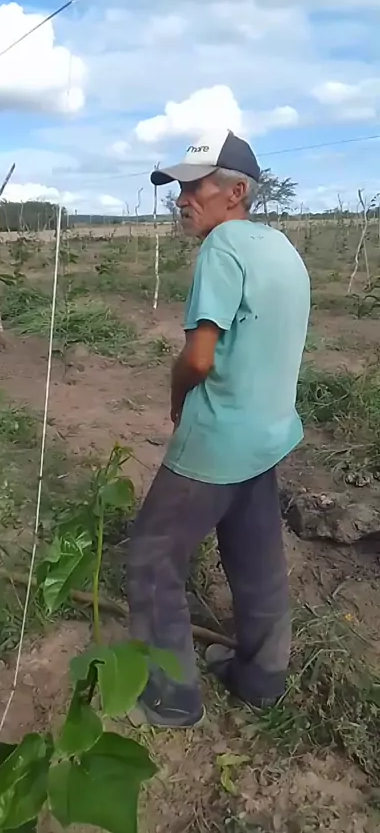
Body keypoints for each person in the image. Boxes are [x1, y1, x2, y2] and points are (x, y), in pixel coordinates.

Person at [126, 129, 310, 728]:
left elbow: (200, 358)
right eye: (179, 188)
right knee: (256, 555)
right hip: (268, 433)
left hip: (220, 437)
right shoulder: (279, 247)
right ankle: (261, 676)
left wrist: (175, 392)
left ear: (235, 193)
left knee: (153, 555)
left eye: (195, 187)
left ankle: (171, 696)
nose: (182, 199)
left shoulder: (221, 248)